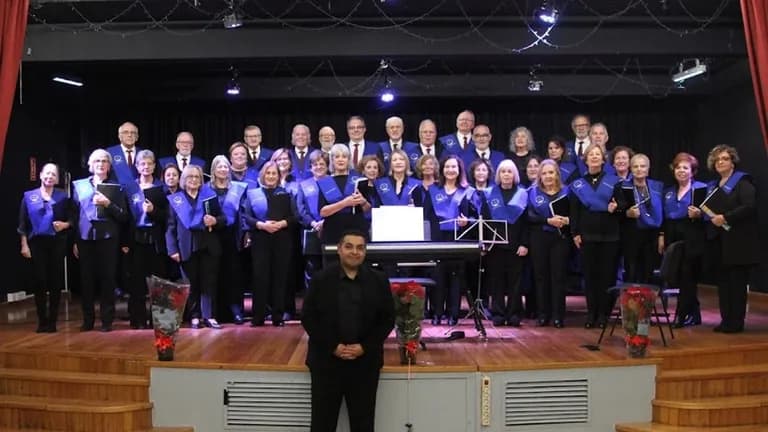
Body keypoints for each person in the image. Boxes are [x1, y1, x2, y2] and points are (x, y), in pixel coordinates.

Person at [302, 229, 395, 432]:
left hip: (364, 363)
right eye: (349, 246)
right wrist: (332, 347)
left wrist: (364, 347)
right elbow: (309, 318)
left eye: (360, 248)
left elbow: (387, 319)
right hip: (327, 363)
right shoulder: (320, 279)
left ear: (365, 252)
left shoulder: (378, 280)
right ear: (339, 249)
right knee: (321, 425)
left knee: (363, 425)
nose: (355, 252)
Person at [72, 149, 129, 332]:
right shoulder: (79, 186)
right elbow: (74, 215)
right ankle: (88, 320)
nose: (101, 164)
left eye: (105, 161)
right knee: (86, 281)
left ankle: (107, 320)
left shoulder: (117, 187)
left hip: (108, 238)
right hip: (85, 238)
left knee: (107, 280)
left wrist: (108, 204)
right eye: (97, 161)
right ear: (90, 165)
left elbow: (123, 216)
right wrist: (74, 241)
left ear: (109, 166)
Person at [704, 145, 759, 333]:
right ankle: (725, 320)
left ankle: (736, 322)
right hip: (720, 242)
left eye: (725, 159)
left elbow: (749, 206)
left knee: (736, 284)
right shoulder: (714, 185)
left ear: (733, 161)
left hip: (739, 242)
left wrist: (726, 218)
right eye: (717, 159)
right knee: (723, 284)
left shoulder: (743, 182)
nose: (721, 162)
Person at [569, 143, 624, 329]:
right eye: (590, 155)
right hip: (587, 236)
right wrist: (575, 233)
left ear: (603, 159)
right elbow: (574, 211)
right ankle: (591, 313)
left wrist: (617, 208)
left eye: (597, 154)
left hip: (610, 236)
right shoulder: (577, 184)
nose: (594, 157)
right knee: (590, 277)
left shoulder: (614, 181)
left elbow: (622, 204)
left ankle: (603, 315)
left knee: (607, 277)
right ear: (585, 159)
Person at [165, 164, 224, 329]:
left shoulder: (209, 197)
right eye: (190, 177)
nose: (193, 180)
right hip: (186, 247)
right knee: (191, 284)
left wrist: (215, 221)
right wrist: (172, 249)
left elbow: (222, 218)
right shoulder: (176, 199)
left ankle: (209, 316)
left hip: (208, 246)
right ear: (184, 179)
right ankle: (195, 316)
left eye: (197, 177)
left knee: (209, 282)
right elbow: (170, 227)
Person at [18, 163, 73, 333]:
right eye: (47, 173)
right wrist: (24, 244)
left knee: (55, 282)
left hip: (57, 243)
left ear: (57, 179)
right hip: (36, 244)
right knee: (40, 281)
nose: (50, 177)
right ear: (41, 175)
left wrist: (64, 225)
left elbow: (72, 220)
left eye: (53, 175)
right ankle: (42, 321)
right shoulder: (29, 196)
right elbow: (22, 224)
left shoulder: (63, 196)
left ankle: (53, 321)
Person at [242, 161, 297, 327]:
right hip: (260, 239)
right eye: (268, 173)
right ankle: (258, 316)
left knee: (280, 278)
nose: (271, 176)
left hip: (282, 239)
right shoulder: (253, 194)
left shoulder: (286, 194)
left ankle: (277, 317)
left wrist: (280, 224)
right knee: (260, 278)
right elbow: (246, 216)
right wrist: (261, 225)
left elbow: (294, 217)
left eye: (274, 173)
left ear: (279, 176)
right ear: (262, 175)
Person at [659, 152, 707, 328]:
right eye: (678, 167)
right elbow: (664, 217)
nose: (681, 171)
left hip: (692, 234)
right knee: (678, 276)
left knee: (688, 276)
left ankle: (682, 315)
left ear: (692, 171)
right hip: (673, 235)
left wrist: (700, 214)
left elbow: (709, 214)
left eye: (685, 168)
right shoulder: (668, 192)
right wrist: (662, 236)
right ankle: (694, 313)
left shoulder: (701, 189)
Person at [482, 159, 529, 327]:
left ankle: (514, 313)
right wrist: (486, 243)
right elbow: (485, 221)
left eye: (509, 171)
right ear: (498, 175)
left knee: (515, 282)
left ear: (514, 174)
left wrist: (524, 244)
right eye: (503, 171)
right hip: (495, 245)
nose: (506, 174)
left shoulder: (522, 194)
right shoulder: (489, 193)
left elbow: (526, 222)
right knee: (496, 281)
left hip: (516, 245)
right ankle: (498, 313)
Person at [124, 150, 167, 329]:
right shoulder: (130, 187)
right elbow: (125, 217)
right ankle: (138, 319)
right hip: (136, 240)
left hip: (156, 240)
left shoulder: (161, 187)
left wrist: (153, 211)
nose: (146, 167)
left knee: (158, 283)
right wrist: (125, 242)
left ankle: (158, 320)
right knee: (137, 283)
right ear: (137, 166)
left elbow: (167, 216)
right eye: (142, 164)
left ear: (154, 166)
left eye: (149, 164)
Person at [205, 155, 249, 325]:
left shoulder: (238, 188)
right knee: (214, 274)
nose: (223, 169)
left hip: (232, 235)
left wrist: (246, 233)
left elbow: (244, 212)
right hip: (212, 235)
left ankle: (235, 310)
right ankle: (215, 311)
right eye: (219, 166)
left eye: (225, 166)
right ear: (213, 170)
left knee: (233, 273)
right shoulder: (206, 189)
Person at [527, 159, 571, 328]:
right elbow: (529, 216)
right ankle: (543, 314)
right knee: (541, 277)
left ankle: (558, 315)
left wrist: (567, 220)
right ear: (540, 176)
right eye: (544, 173)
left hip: (560, 239)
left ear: (557, 174)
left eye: (551, 172)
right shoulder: (532, 192)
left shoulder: (567, 192)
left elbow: (575, 214)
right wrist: (547, 220)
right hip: (539, 238)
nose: (548, 176)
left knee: (559, 277)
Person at [620, 153, 663, 284]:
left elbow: (664, 212)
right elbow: (616, 213)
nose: (639, 169)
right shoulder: (622, 187)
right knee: (631, 272)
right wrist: (627, 213)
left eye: (642, 166)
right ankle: (630, 303)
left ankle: (646, 303)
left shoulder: (658, 187)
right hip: (631, 235)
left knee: (648, 272)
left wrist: (662, 234)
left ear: (648, 169)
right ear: (630, 169)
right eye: (635, 166)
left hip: (651, 236)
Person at [318, 144, 369, 245]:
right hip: (333, 231)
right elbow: (323, 212)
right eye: (337, 157)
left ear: (349, 159)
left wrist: (363, 201)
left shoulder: (359, 179)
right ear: (332, 160)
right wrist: (344, 203)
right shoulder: (325, 182)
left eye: (344, 156)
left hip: (356, 230)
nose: (340, 160)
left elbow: (367, 208)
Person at [106, 121, 141, 186]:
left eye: (133, 133)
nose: (129, 135)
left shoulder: (143, 153)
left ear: (137, 137)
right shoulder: (109, 152)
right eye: (125, 132)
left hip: (138, 193)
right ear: (120, 136)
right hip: (116, 192)